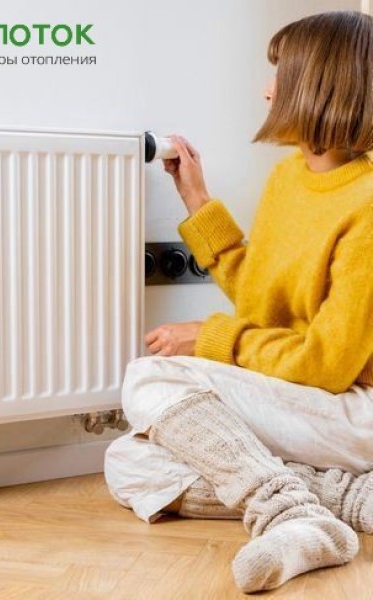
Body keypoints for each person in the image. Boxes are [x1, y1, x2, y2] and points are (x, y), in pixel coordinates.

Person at [104, 10, 373, 594]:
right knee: (130, 463)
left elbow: (328, 364)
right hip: (303, 399)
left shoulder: (368, 204)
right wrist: (197, 201)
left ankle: (292, 517)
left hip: (354, 407)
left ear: (314, 84)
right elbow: (259, 299)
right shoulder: (288, 180)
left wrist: (209, 339)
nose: (267, 90)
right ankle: (352, 499)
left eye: (279, 73)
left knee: (151, 377)